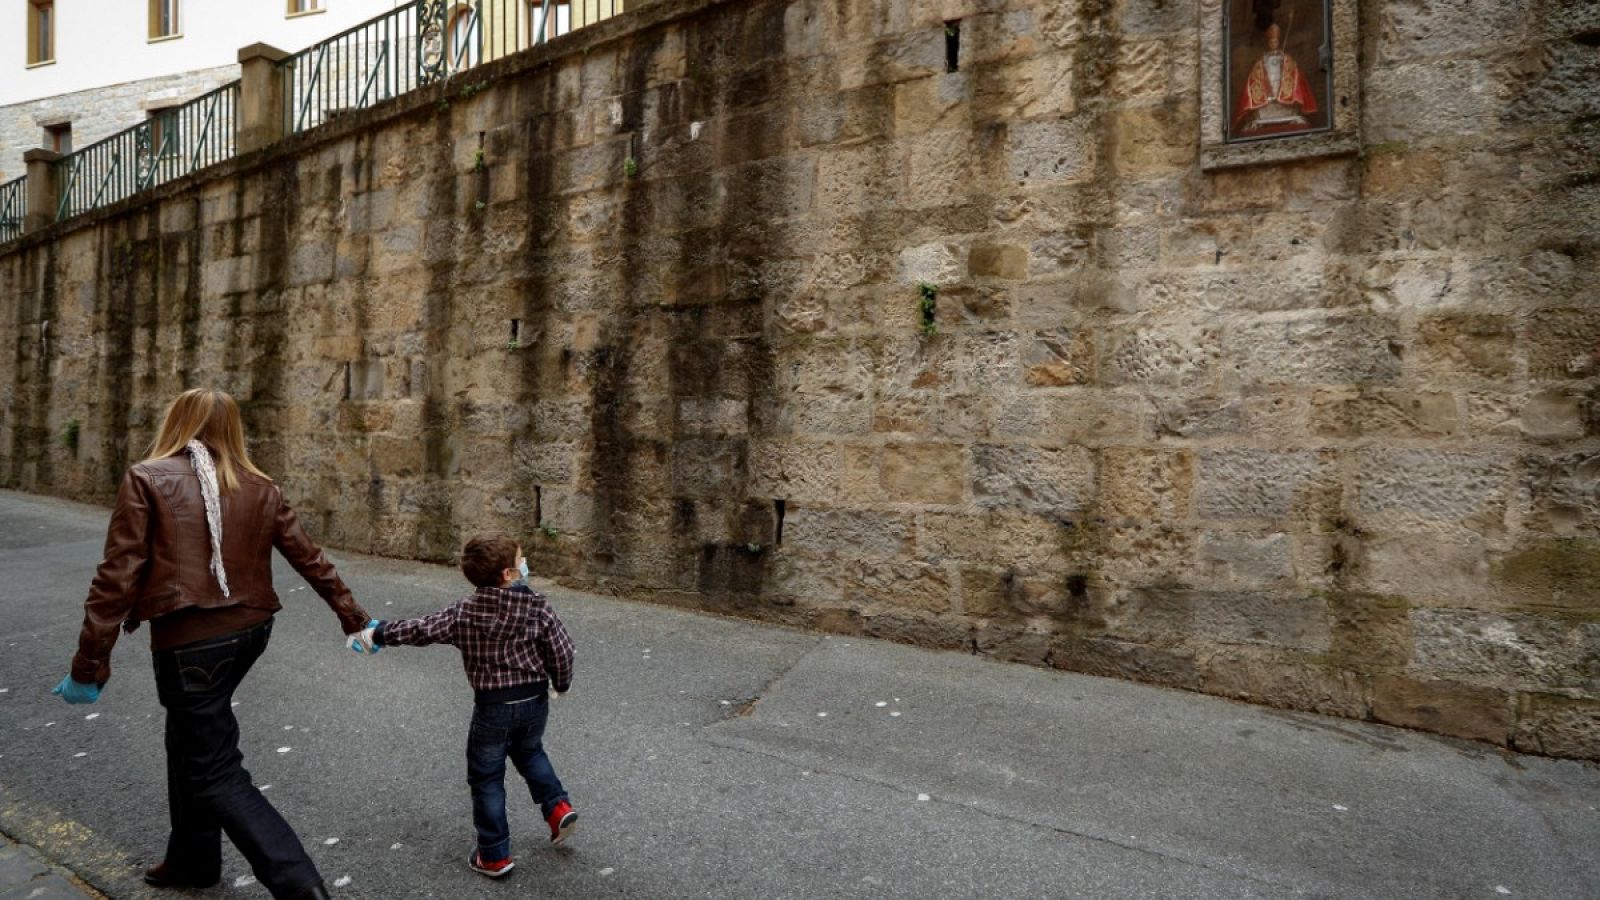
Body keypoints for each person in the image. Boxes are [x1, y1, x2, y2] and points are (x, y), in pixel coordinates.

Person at [53, 388, 372, 900]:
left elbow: (117, 579)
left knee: (215, 768)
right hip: (250, 634)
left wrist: (89, 664)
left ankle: (301, 886)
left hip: (190, 645)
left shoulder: (147, 477)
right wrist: (353, 618)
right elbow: (310, 557)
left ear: (177, 422)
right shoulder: (260, 486)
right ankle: (193, 859)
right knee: (189, 738)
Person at [348, 533, 577, 878]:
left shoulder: (464, 613)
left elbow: (421, 629)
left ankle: (494, 855)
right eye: (520, 560)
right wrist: (561, 683)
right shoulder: (538, 607)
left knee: (487, 778)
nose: (524, 564)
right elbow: (563, 650)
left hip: (493, 708)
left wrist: (377, 634)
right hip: (534, 701)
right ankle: (557, 808)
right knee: (531, 752)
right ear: (508, 574)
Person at [1232, 22, 1319, 135]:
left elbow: (1294, 73)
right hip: (1269, 94)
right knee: (1265, 100)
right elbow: (1255, 78)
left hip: (1281, 90)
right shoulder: (1262, 61)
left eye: (1275, 42)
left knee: (1282, 91)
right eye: (1271, 42)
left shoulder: (1286, 59)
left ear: (1278, 42)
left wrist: (1285, 63)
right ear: (1268, 43)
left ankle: (1283, 102)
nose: (1273, 44)